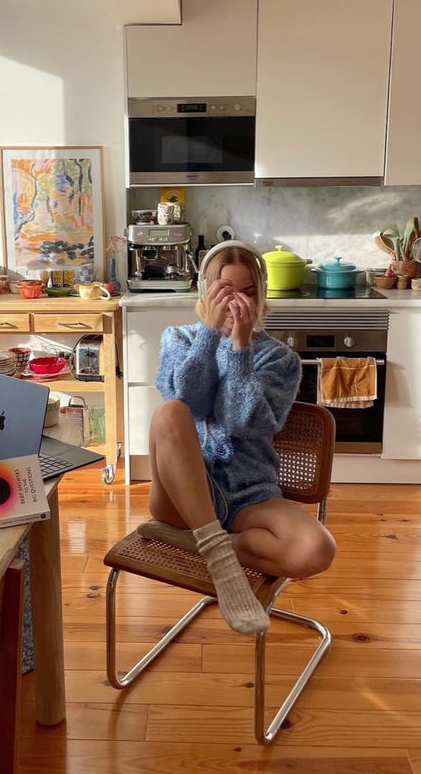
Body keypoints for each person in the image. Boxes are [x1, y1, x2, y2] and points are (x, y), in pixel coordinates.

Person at [138, 241, 336, 636]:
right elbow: (187, 401)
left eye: (246, 293)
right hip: (181, 496)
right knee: (171, 411)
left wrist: (241, 348)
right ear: (205, 291)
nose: (235, 303)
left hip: (250, 495)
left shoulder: (279, 358)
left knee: (317, 549)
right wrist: (211, 335)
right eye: (225, 291)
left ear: (260, 296)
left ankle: (210, 546)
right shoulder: (178, 338)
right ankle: (219, 551)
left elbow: (245, 422)